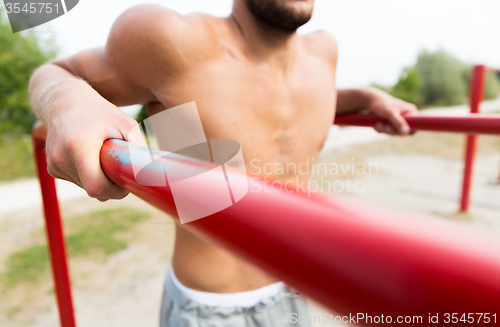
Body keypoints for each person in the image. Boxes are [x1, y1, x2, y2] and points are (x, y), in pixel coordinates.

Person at [28, 0, 417, 326]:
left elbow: (291, 95)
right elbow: (59, 72)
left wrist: (368, 95)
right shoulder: (172, 40)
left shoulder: (323, 53)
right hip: (210, 309)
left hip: (295, 291)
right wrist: (69, 105)